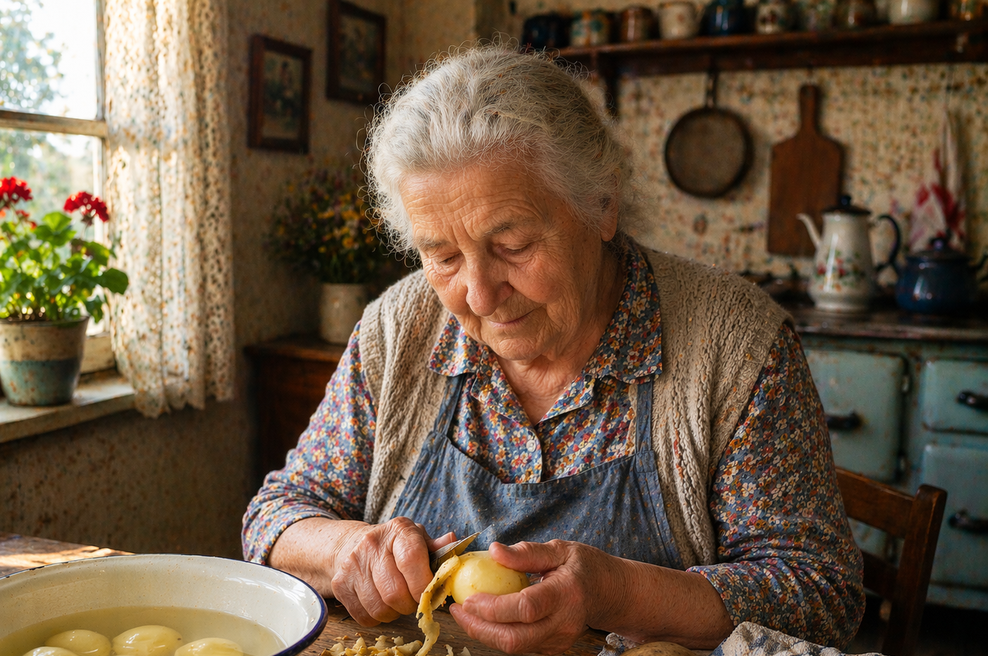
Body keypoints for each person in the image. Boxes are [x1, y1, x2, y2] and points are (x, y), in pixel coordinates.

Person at [243, 45, 864, 654]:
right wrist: (343, 549)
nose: (480, 296)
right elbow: (275, 516)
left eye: (512, 245)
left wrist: (617, 594)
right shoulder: (397, 330)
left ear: (601, 206)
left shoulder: (734, 345)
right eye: (444, 257)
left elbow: (820, 592)